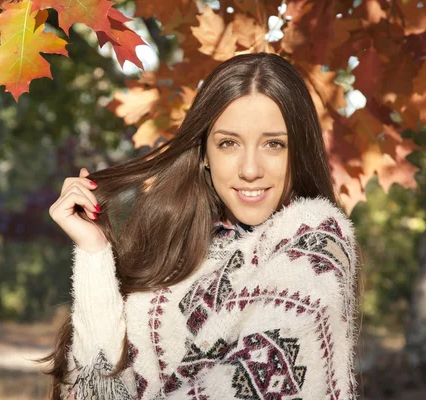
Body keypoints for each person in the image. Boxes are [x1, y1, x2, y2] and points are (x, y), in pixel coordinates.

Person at [41, 53, 360, 399]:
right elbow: (95, 390)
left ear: (298, 151)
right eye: (228, 143)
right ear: (205, 153)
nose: (250, 169)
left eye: (274, 144)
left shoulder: (316, 241)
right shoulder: (173, 249)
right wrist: (95, 252)